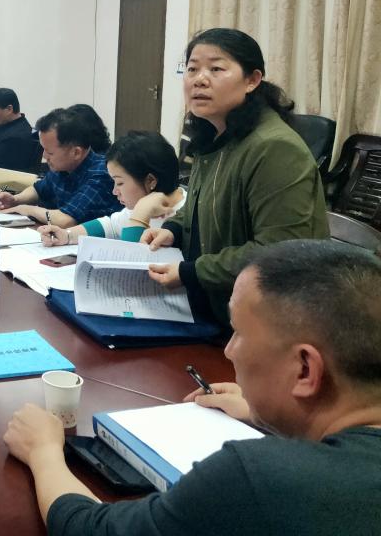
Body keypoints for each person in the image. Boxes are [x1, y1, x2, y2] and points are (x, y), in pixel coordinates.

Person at [4, 239, 381, 535]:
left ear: (305, 369)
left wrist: (44, 451)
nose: (229, 351)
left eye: (238, 333)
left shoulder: (258, 478)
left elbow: (92, 529)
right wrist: (266, 412)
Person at [141, 28, 328, 325]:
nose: (199, 79)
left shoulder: (274, 148)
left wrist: (191, 272)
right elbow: (202, 202)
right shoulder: (214, 134)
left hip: (264, 320)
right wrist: (174, 229)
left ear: (252, 80)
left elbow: (279, 252)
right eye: (192, 69)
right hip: (215, 303)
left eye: (216, 69)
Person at [37, 131, 186, 246]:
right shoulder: (140, 204)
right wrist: (66, 235)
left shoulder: (185, 214)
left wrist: (141, 213)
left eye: (120, 183)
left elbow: (130, 261)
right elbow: (110, 226)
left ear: (150, 181)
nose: (115, 191)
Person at [0, 104, 119, 227]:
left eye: (50, 152)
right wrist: (15, 200)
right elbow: (38, 189)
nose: (44, 156)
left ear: (76, 152)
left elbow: (66, 220)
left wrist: (26, 209)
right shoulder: (63, 166)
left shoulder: (101, 174)